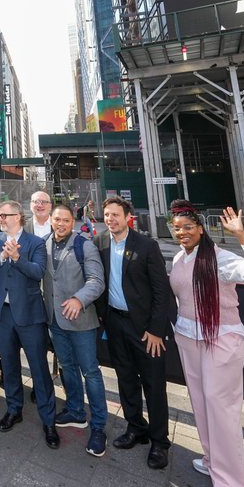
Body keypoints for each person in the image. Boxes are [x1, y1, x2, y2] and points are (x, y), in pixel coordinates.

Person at [170, 202, 244, 487]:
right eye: (177, 228)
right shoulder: (179, 257)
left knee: (221, 408)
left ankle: (232, 486)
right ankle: (212, 460)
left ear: (201, 229)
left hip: (220, 339)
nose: (182, 233)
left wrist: (241, 234)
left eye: (188, 227)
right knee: (200, 402)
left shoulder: (219, 258)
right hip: (189, 338)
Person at [96, 196, 172, 469]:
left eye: (115, 214)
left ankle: (160, 442)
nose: (110, 219)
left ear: (127, 216)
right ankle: (135, 427)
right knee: (126, 379)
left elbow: (162, 292)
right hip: (115, 323)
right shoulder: (101, 242)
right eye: (106, 215)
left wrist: (155, 330)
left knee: (154, 385)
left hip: (145, 329)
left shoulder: (147, 245)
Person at [0, 200, 59, 449]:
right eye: (0, 215)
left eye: (5, 215)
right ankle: (14, 409)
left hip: (30, 315)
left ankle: (49, 420)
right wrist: (3, 256)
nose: (0, 218)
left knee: (39, 369)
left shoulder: (35, 243)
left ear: (19, 216)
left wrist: (17, 258)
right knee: (10, 365)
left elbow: (37, 272)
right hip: (3, 315)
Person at [43, 203, 108, 456]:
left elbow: (97, 280)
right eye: (57, 219)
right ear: (50, 220)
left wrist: (80, 299)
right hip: (55, 322)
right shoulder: (44, 243)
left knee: (90, 372)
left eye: (66, 220)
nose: (61, 224)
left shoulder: (84, 245)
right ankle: (76, 411)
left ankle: (99, 426)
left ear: (73, 222)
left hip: (81, 322)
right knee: (67, 367)